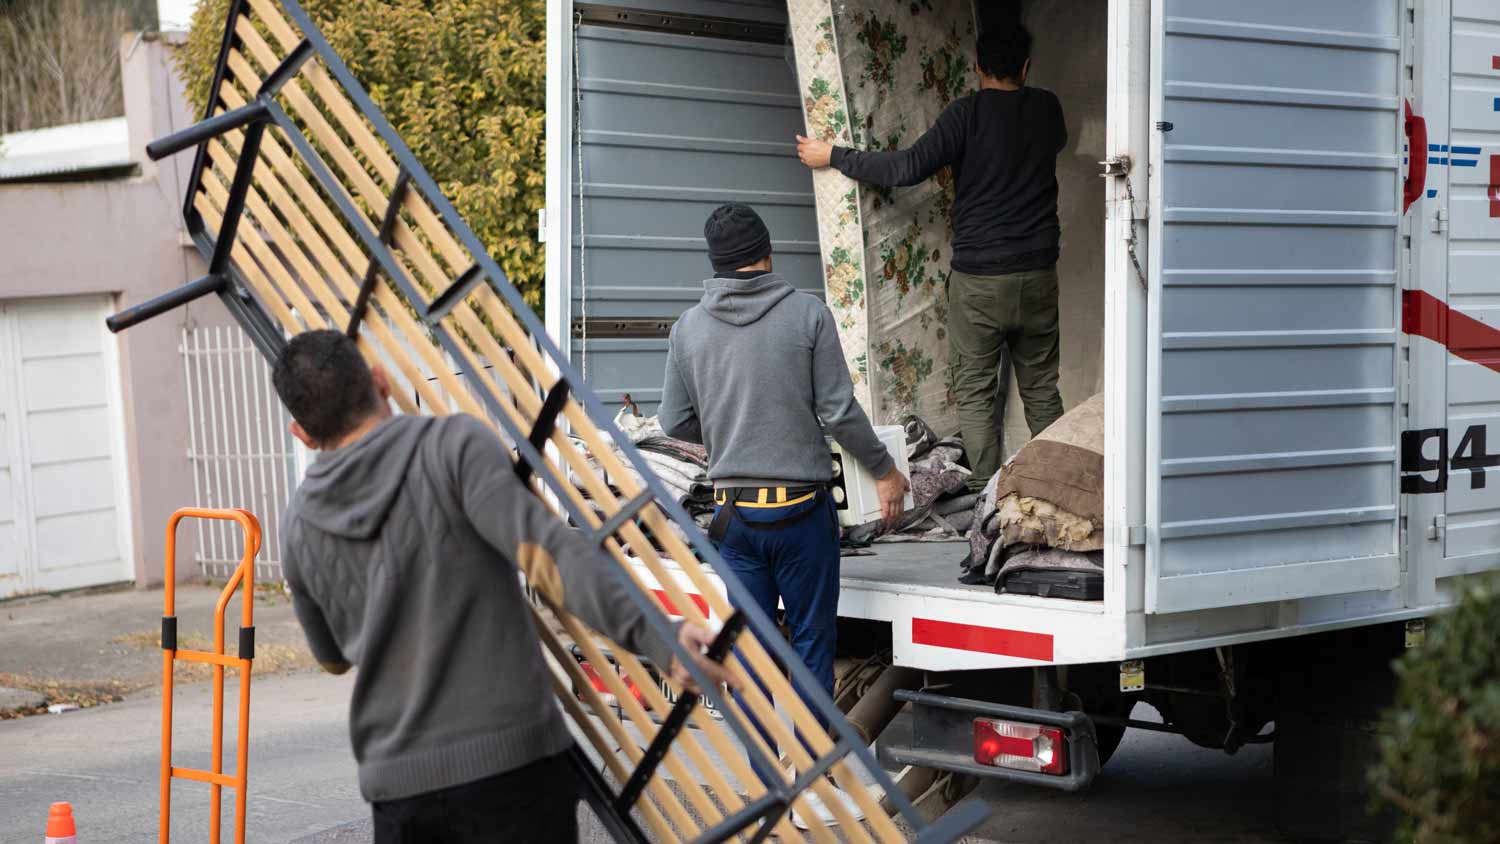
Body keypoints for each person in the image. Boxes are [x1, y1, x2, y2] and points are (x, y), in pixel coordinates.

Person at [272, 329, 730, 844]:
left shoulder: (299, 527)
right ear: (381, 382)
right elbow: (548, 556)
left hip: (398, 791)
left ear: (302, 434)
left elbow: (332, 657)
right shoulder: (451, 449)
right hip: (510, 773)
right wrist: (657, 637)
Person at [659, 203, 908, 828]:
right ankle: (810, 793)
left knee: (748, 653)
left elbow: (673, 423)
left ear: (714, 263)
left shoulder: (688, 328)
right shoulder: (807, 313)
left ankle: (768, 788)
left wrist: (728, 434)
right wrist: (884, 469)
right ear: (767, 253)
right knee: (810, 649)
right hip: (800, 516)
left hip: (733, 519)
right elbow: (839, 411)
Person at [796, 23, 1067, 492]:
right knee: (1041, 389)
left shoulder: (966, 115)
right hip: (1038, 275)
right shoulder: (1048, 109)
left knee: (976, 393)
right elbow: (1048, 146)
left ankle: (989, 500)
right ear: (1025, 67)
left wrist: (834, 154)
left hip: (980, 279)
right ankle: (1055, 495)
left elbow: (905, 168)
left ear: (977, 67)